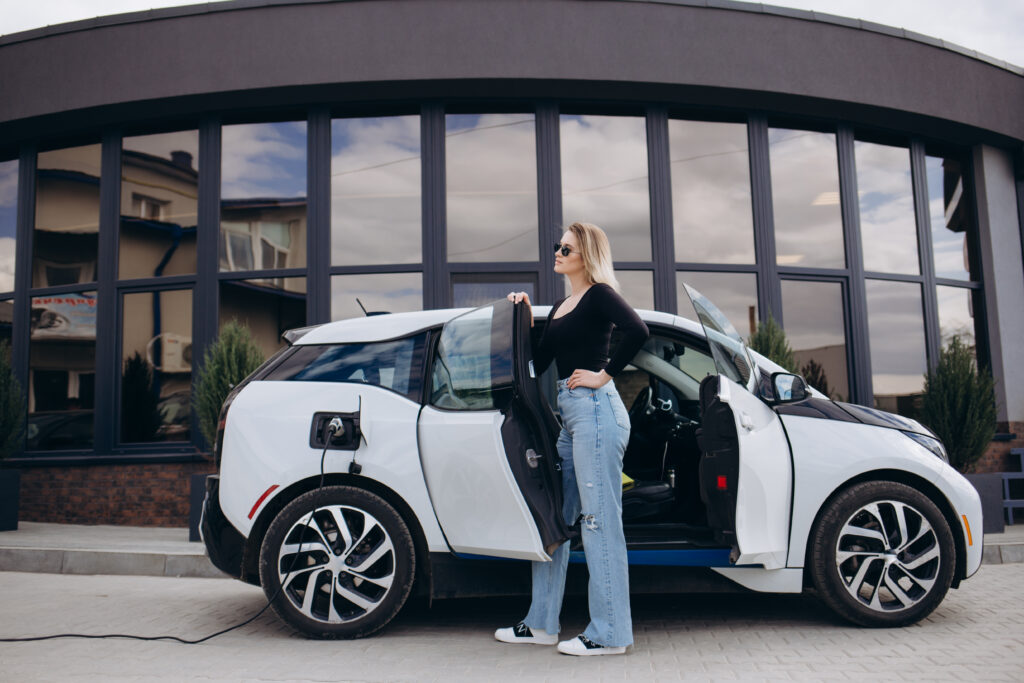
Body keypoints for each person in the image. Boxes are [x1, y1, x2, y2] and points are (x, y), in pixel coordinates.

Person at [495, 222, 649, 656]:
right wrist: (522, 315)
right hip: (572, 419)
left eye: (566, 247)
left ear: (586, 255)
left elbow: (637, 330)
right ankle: (541, 624)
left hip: (597, 413)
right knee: (555, 520)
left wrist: (604, 375)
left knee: (598, 523)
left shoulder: (599, 294)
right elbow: (539, 360)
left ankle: (610, 634)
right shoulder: (562, 305)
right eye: (557, 245)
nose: (558, 252)